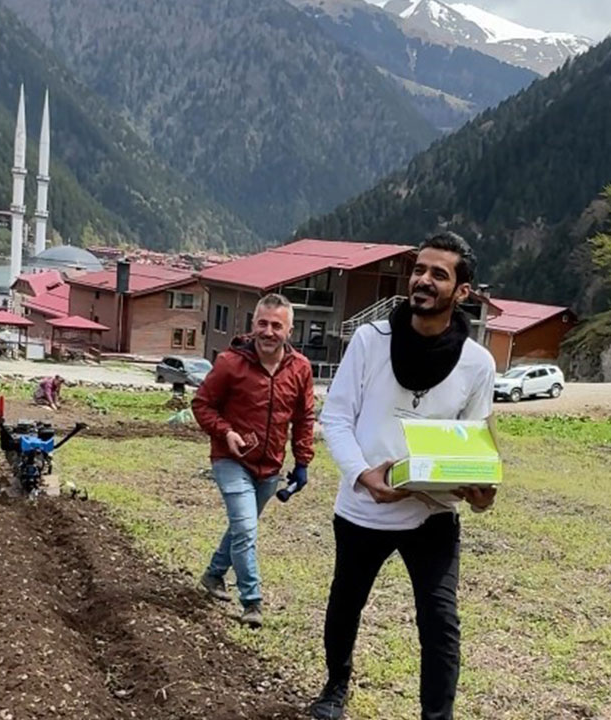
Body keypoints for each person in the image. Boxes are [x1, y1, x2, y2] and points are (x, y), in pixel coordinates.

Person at [309, 233, 497, 720]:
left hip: (430, 515)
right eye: (419, 269)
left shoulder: (478, 364)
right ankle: (335, 688)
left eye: (439, 273)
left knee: (440, 620)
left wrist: (478, 492)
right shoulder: (372, 341)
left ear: (462, 291)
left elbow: (471, 441)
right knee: (346, 602)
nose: (423, 280)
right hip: (362, 508)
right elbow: (335, 418)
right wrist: (363, 475)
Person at [192, 293, 315, 628]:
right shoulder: (231, 363)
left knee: (240, 527)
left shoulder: (300, 368)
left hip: (270, 466)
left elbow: (304, 417)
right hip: (231, 460)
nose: (269, 331)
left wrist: (302, 462)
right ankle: (252, 602)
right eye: (263, 323)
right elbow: (202, 405)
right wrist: (226, 431)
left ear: (289, 330)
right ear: (253, 325)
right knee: (247, 529)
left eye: (277, 325)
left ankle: (213, 575)